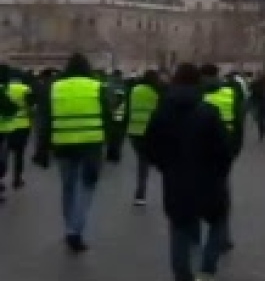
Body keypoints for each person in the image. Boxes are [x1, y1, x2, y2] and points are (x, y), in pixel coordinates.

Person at [141, 63, 233, 281]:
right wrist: (220, 173)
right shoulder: (209, 112)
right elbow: (223, 151)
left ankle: (183, 274)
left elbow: (149, 147)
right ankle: (207, 267)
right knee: (218, 221)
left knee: (180, 228)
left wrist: (166, 166)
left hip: (176, 181)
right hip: (209, 181)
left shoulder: (162, 112)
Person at [32, 53, 116, 252]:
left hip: (63, 145)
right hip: (91, 146)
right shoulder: (97, 87)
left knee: (68, 188)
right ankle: (75, 230)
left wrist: (41, 148)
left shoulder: (55, 87)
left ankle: (69, 225)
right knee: (85, 188)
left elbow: (44, 120)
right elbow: (108, 118)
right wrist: (112, 144)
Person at [200, 64, 245, 252]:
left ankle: (194, 235)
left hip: (200, 150)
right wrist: (234, 150)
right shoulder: (230, 93)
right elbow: (238, 122)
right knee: (222, 194)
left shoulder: (197, 94)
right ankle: (223, 236)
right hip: (224, 150)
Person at [124, 69, 164, 206]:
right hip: (152, 131)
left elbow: (127, 108)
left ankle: (140, 194)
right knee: (149, 161)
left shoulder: (135, 90)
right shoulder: (157, 91)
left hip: (134, 131)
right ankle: (143, 192)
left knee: (142, 162)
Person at [0, 65, 35, 197]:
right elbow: (32, 106)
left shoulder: (3, 88)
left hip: (4, 127)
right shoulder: (24, 89)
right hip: (21, 126)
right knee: (19, 154)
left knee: (3, 155)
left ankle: (2, 179)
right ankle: (17, 178)